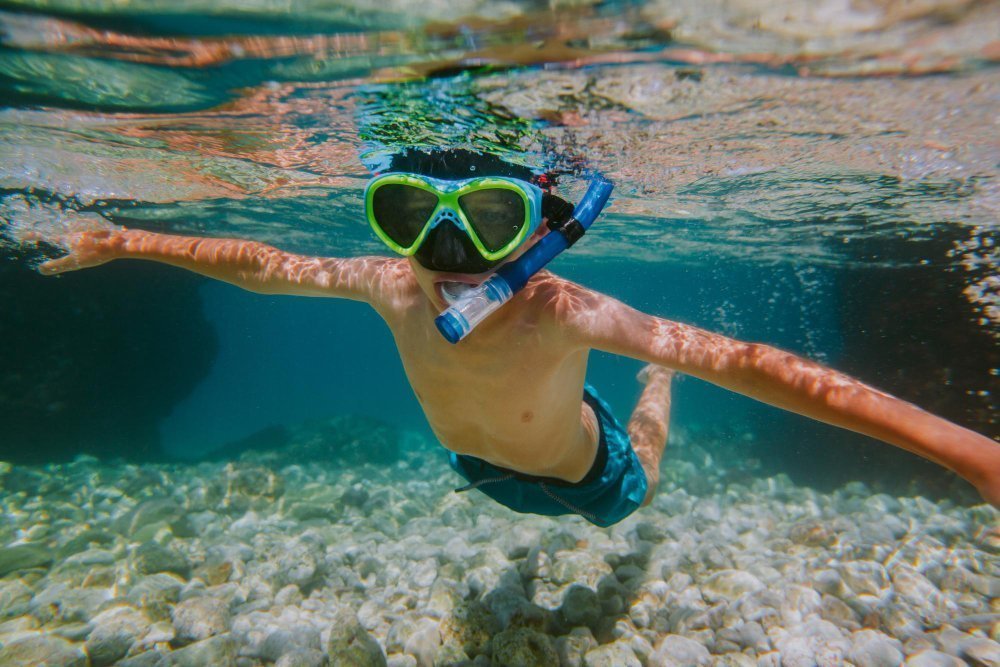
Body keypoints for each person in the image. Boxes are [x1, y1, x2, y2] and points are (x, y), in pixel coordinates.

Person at [36, 149, 1000, 525]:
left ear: (537, 229)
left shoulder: (565, 311)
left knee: (644, 472)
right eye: (410, 211)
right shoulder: (387, 281)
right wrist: (126, 239)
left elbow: (755, 364)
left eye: (489, 217)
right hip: (476, 468)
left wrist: (964, 451)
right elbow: (260, 261)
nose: (445, 249)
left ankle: (656, 397)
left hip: (588, 470)